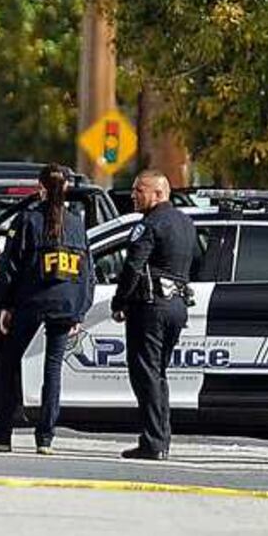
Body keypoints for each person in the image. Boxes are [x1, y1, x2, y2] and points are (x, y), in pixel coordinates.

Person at [0, 164, 94, 455]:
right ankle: (45, 438)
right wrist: (79, 310)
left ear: (40, 188)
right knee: (53, 370)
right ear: (65, 190)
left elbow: (10, 266)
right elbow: (87, 272)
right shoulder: (76, 223)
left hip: (33, 302)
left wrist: (5, 304)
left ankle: (2, 435)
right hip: (65, 304)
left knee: (10, 363)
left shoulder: (28, 219)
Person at [110, 170, 197, 460]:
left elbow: (133, 266)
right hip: (176, 306)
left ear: (158, 194)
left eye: (139, 190)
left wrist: (119, 301)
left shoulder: (150, 223)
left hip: (151, 307)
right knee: (158, 375)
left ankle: (153, 442)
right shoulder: (186, 222)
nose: (133, 195)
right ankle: (160, 440)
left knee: (146, 375)